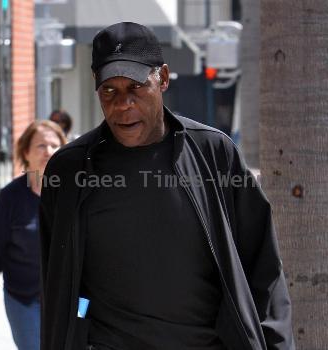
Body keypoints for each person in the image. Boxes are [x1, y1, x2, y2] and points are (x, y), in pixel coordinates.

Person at [40, 22, 295, 350]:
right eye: (110, 91)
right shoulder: (70, 169)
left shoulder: (213, 153)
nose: (123, 104)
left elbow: (263, 268)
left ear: (162, 77)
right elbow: (56, 284)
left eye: (135, 87)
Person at [0, 120, 66, 350]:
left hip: (67, 300)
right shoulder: (11, 196)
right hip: (23, 299)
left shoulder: (73, 194)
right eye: (41, 145)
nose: (48, 151)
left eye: (54, 145)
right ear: (26, 151)